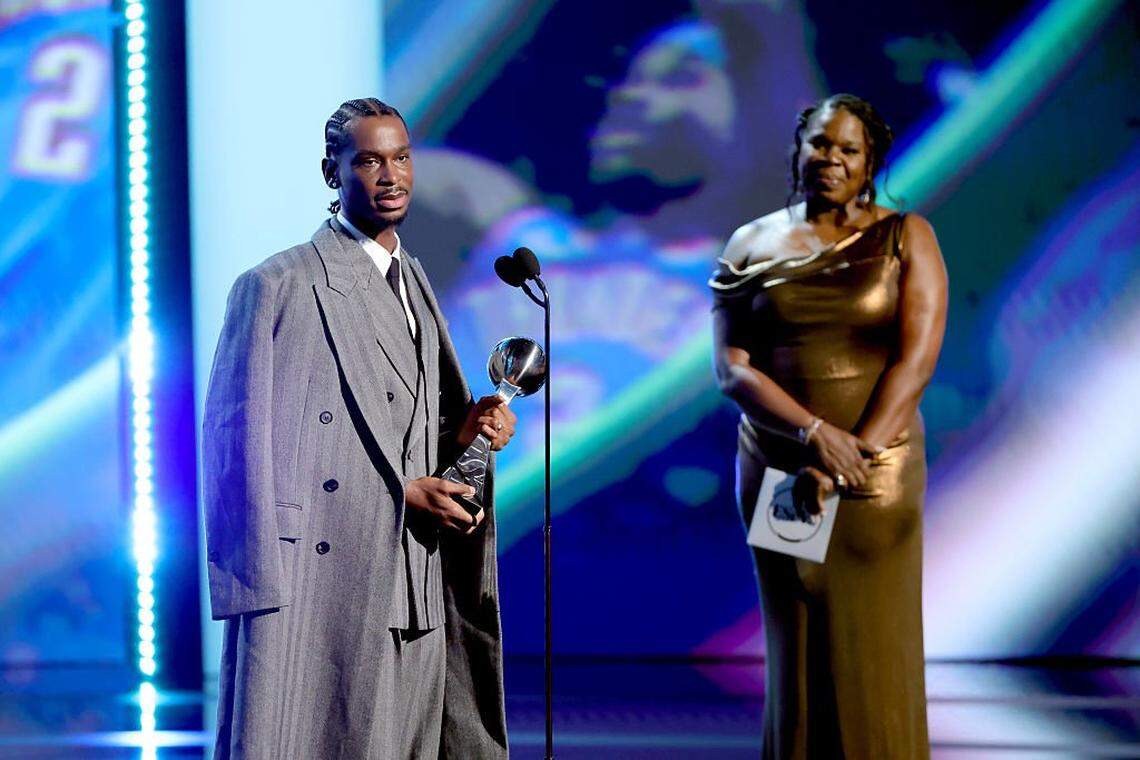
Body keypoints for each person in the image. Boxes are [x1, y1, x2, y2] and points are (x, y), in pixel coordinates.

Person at [202, 98, 515, 759]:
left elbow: (407, 428)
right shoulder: (277, 285)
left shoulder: (416, 278)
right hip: (322, 581)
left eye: (401, 158)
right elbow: (236, 446)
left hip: (416, 573)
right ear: (332, 172)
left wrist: (466, 436)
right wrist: (398, 493)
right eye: (369, 160)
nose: (390, 175)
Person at [711, 93, 948, 758]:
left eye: (849, 148)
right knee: (798, 646)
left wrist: (853, 455)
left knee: (872, 643)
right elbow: (733, 369)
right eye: (821, 143)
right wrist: (816, 437)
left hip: (878, 473)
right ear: (798, 147)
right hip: (780, 468)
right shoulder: (750, 242)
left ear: (871, 160)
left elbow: (916, 358)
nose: (831, 159)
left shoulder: (907, 237)